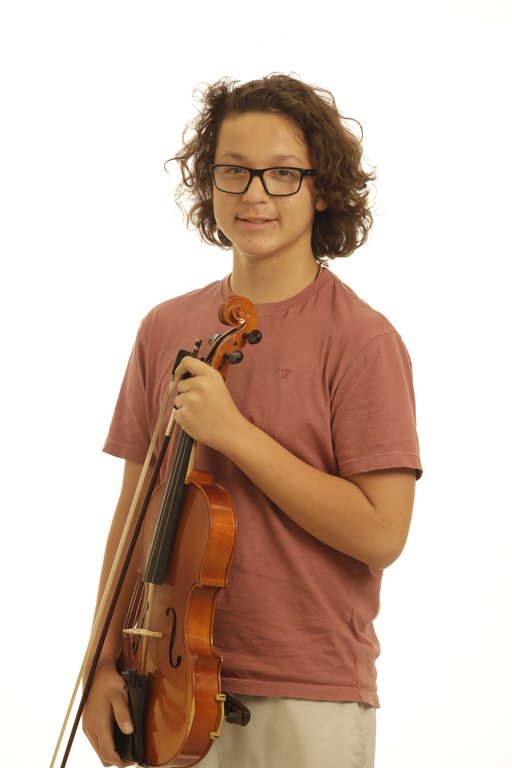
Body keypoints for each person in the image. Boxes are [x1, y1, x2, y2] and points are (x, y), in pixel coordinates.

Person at [82, 74, 422, 768]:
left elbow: (382, 533)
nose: (255, 194)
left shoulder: (361, 340)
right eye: (233, 171)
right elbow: (132, 516)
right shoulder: (166, 327)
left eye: (282, 175)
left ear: (320, 188)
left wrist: (235, 435)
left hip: (305, 692)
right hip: (162, 681)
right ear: (209, 183)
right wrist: (100, 665)